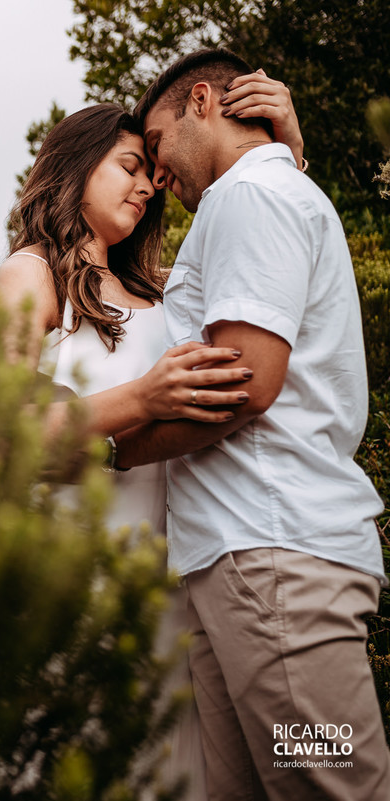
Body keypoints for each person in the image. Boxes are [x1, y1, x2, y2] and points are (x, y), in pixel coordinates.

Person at [0, 74, 303, 799]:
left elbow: (265, 248)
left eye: (154, 177)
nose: (147, 188)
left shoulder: (165, 289)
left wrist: (285, 148)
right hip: (73, 581)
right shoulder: (30, 276)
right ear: (74, 166)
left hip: (173, 585)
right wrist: (141, 396)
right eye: (131, 167)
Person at [117, 48, 390, 799]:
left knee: (333, 783)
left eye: (157, 145)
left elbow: (243, 381)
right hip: (241, 566)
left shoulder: (248, 198)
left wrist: (113, 448)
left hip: (274, 564)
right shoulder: (266, 194)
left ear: (201, 101)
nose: (156, 174)